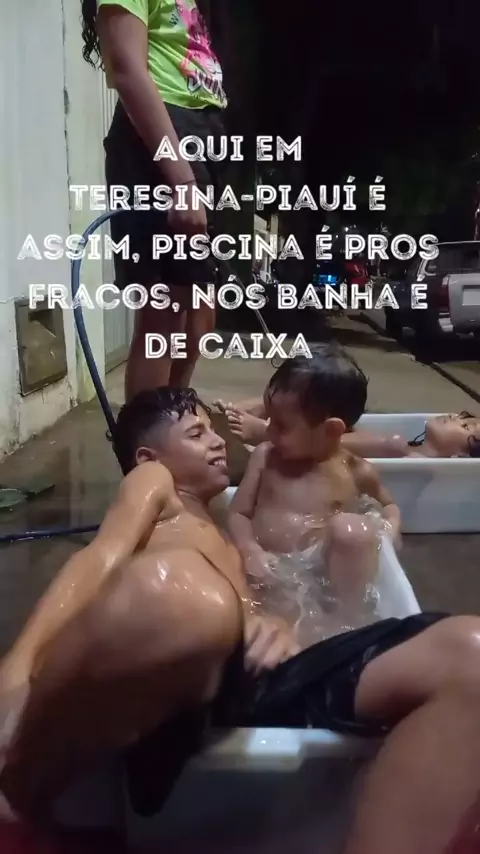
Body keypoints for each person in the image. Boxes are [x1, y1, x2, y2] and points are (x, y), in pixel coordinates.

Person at [1, 389, 480, 853]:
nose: (216, 441)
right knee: (184, 594)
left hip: (242, 680)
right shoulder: (155, 484)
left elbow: (253, 606)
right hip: (173, 666)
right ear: (148, 457)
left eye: (212, 430)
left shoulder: (221, 531)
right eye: (196, 434)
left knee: (470, 654)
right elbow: (98, 560)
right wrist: (20, 668)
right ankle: (16, 788)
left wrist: (275, 624)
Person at [81, 0, 228, 400]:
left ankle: (171, 421)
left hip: (201, 135)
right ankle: (149, 434)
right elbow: (126, 68)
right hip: (161, 136)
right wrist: (182, 180)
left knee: (199, 318)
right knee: (163, 315)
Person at [227, 348, 401, 636]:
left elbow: (388, 505)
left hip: (319, 583)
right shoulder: (265, 457)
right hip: (264, 570)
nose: (268, 432)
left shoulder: (355, 471)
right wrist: (249, 549)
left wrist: (390, 529)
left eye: (281, 425)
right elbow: (238, 513)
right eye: (269, 420)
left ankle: (346, 623)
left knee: (352, 532)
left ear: (331, 431)